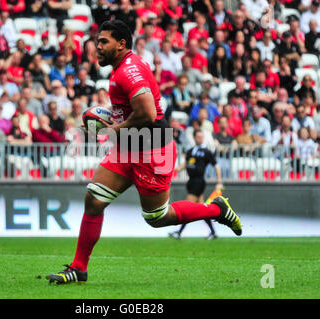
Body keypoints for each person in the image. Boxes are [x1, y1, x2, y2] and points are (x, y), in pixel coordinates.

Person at [46, 20, 242, 285]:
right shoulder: (120, 69)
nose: (98, 46)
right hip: (130, 144)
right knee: (94, 199)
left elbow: (148, 114)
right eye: (98, 41)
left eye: (104, 42)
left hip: (153, 148)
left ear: (121, 44)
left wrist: (111, 129)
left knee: (157, 217)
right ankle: (79, 268)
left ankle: (216, 210)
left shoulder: (129, 70)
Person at [169, 130, 223, 240]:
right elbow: (185, 164)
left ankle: (179, 232)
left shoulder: (206, 152)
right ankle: (213, 232)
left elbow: (216, 165)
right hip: (191, 181)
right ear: (194, 138)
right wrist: (175, 170)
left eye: (201, 136)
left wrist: (219, 181)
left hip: (198, 181)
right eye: (198, 136)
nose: (200, 138)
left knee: (188, 207)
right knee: (201, 209)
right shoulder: (190, 151)